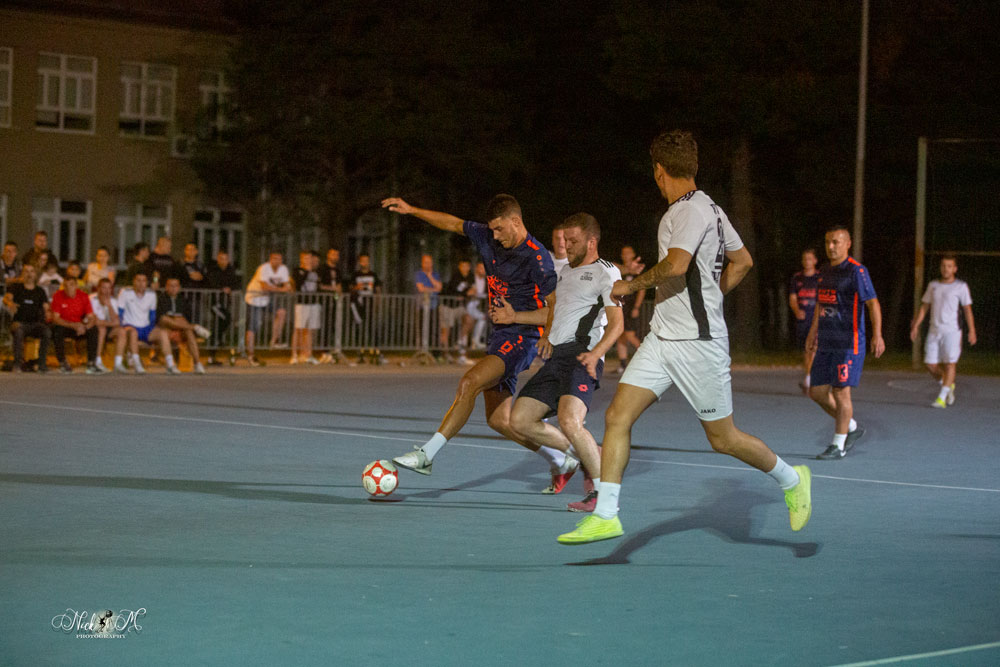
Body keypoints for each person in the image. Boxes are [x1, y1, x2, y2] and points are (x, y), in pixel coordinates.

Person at [557, 130, 812, 545]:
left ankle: (792, 479)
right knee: (617, 416)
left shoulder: (688, 211)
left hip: (698, 344)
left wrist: (630, 285)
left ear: (659, 170)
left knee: (723, 439)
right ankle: (606, 515)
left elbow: (676, 265)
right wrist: (711, 295)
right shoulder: (711, 208)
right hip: (662, 338)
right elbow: (743, 261)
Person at [381, 194, 556, 478]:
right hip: (500, 335)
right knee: (498, 420)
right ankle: (561, 459)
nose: (494, 236)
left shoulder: (537, 257)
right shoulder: (488, 236)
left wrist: (539, 330)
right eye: (492, 229)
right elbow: (452, 224)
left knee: (469, 382)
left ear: (516, 221)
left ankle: (426, 455)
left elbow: (555, 306)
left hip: (522, 338)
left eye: (499, 229)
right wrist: (412, 210)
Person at [497, 213, 623, 511]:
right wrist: (515, 316)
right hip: (556, 358)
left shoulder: (606, 272)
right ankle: (586, 453)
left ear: (591, 242)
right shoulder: (565, 272)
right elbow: (553, 314)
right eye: (565, 240)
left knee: (569, 420)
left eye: (573, 241)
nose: (566, 246)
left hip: (583, 355)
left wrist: (596, 354)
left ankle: (603, 496)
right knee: (520, 420)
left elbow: (617, 324)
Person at [806, 225, 885, 459]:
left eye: (836, 242)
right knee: (816, 392)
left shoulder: (856, 271)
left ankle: (838, 446)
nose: (831, 246)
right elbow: (821, 303)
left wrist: (877, 334)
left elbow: (873, 303)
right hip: (826, 342)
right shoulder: (824, 271)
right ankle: (850, 426)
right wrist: (813, 332)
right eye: (828, 242)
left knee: (841, 392)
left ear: (847, 244)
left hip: (848, 343)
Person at [909, 255, 976, 408]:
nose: (946, 269)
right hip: (934, 330)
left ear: (955, 269)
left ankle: (942, 397)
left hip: (952, 331)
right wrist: (916, 325)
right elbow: (925, 306)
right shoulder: (933, 285)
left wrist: (972, 330)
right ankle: (948, 384)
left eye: (949, 266)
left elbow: (967, 310)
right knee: (930, 364)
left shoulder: (961, 287)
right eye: (944, 266)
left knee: (950, 363)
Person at [244, 251, 291, 365]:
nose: (277, 261)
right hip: (254, 298)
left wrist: (287, 287)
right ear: (270, 260)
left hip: (266, 299)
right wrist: (281, 289)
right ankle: (250, 354)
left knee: (281, 312)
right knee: (253, 327)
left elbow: (287, 285)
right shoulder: (264, 268)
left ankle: (274, 341)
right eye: (274, 259)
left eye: (279, 259)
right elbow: (264, 286)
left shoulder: (283, 269)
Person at [3, 264, 52, 373]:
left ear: (35, 275)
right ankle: (17, 364)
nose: (29, 274)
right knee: (19, 331)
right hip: (19, 323)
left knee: (47, 332)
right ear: (22, 274)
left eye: (31, 271)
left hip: (35, 324)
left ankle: (41, 364)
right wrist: (10, 303)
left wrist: (48, 312)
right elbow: (6, 298)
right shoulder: (16, 288)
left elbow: (46, 306)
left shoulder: (40, 291)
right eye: (26, 271)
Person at [153, 277, 207, 374]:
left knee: (189, 332)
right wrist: (175, 319)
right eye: (171, 286)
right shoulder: (160, 299)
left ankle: (197, 363)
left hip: (181, 329)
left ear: (179, 288)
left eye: (176, 286)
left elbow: (186, 319)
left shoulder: (183, 300)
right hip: (166, 329)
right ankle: (195, 327)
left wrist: (177, 321)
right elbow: (161, 318)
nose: (173, 288)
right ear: (166, 287)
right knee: (164, 319)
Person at [50, 275, 100, 373]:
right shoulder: (58, 296)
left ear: (76, 286)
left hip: (80, 327)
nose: (69, 288)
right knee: (57, 330)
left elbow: (91, 316)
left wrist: (85, 327)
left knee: (94, 330)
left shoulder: (83, 296)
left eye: (71, 285)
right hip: (66, 325)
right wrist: (72, 325)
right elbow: (56, 318)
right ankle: (63, 362)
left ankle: (91, 363)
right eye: (66, 285)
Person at [113, 272, 160, 374]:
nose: (141, 283)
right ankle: (137, 364)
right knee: (133, 333)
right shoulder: (125, 292)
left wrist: (150, 329)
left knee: (163, 333)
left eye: (143, 281)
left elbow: (152, 315)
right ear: (134, 281)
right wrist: (121, 327)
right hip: (128, 325)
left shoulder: (152, 294)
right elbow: (120, 311)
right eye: (138, 280)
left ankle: (170, 364)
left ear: (146, 283)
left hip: (145, 328)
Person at [789, 248, 820, 393]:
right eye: (805, 259)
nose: (807, 262)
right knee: (807, 349)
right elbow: (792, 298)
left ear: (815, 261)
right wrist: (797, 311)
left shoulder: (820, 278)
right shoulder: (797, 278)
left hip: (816, 319)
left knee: (814, 348)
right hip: (803, 319)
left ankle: (810, 380)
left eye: (810, 259)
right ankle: (809, 377)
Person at [613, 245, 647, 374]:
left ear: (633, 254)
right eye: (623, 253)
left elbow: (642, 290)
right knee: (620, 335)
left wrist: (636, 307)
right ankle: (622, 365)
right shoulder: (619, 270)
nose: (625, 255)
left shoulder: (638, 269)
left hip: (631, 308)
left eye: (628, 253)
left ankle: (646, 359)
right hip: (620, 307)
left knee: (630, 335)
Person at [206, 249, 241, 365]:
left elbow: (236, 283)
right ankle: (218, 341)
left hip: (226, 302)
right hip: (215, 302)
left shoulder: (230, 270)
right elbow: (211, 283)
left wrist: (230, 289)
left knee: (218, 325)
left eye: (225, 259)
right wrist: (222, 289)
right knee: (225, 319)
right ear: (217, 259)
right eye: (221, 258)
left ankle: (213, 352)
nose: (223, 261)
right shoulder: (213, 270)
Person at [439, 259, 475, 365]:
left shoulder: (471, 277)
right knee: (446, 330)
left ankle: (459, 341)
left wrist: (470, 292)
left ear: (469, 267)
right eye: (462, 266)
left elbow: (472, 290)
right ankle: (446, 354)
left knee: (468, 320)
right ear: (459, 267)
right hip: (447, 305)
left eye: (466, 266)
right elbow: (454, 292)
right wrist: (465, 294)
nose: (464, 268)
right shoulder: (455, 276)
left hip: (458, 306)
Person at [349, 253, 383, 363]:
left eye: (366, 260)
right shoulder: (356, 275)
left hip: (370, 303)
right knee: (360, 328)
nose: (365, 263)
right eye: (363, 260)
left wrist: (378, 302)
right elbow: (350, 288)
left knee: (372, 327)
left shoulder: (373, 274)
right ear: (360, 262)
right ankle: (361, 351)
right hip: (359, 304)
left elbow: (378, 289)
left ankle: (375, 351)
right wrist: (356, 287)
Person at [291, 250, 322, 365]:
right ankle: (294, 354)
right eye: (306, 258)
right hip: (302, 303)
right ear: (301, 259)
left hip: (313, 303)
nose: (308, 261)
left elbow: (318, 286)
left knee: (310, 330)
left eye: (310, 258)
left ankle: (307, 354)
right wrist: (307, 271)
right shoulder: (298, 270)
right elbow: (298, 284)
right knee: (298, 329)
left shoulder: (315, 272)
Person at [414, 253, 443, 359]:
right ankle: (422, 352)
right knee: (422, 329)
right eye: (426, 262)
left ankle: (435, 353)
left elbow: (439, 288)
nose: (428, 265)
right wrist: (433, 290)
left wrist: (430, 276)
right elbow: (421, 289)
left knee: (434, 329)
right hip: (422, 306)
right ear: (422, 263)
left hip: (433, 306)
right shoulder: (419, 274)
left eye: (429, 262)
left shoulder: (435, 274)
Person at [89, 277, 121, 372]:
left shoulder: (114, 301)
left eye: (109, 288)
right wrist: (111, 323)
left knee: (122, 332)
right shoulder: (91, 299)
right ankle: (98, 360)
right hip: (94, 328)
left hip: (108, 327)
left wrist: (109, 306)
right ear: (98, 288)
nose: (107, 291)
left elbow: (117, 321)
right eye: (104, 287)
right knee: (101, 329)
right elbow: (95, 321)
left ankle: (118, 364)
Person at [466, 260, 489, 350]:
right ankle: (474, 340)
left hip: (480, 305)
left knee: (483, 318)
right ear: (476, 269)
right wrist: (470, 292)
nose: (482, 270)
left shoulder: (487, 281)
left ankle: (476, 340)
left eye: (484, 269)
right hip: (469, 304)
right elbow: (466, 291)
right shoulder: (470, 279)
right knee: (481, 318)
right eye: (480, 268)